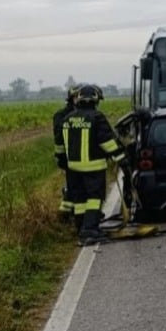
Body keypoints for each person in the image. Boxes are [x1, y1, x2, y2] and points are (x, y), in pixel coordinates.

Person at [61, 84, 126, 245]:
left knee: (80, 200)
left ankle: (82, 229)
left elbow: (60, 145)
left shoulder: (68, 119)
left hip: (73, 169)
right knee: (94, 199)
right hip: (93, 167)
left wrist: (63, 162)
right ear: (95, 100)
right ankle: (90, 230)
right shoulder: (97, 117)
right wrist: (120, 158)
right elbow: (107, 142)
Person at [52, 86, 78, 222]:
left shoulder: (83, 113)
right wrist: (62, 159)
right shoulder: (62, 115)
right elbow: (59, 138)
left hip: (81, 157)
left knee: (76, 186)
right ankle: (67, 215)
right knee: (73, 186)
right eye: (77, 96)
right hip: (70, 158)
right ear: (72, 98)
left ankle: (76, 214)